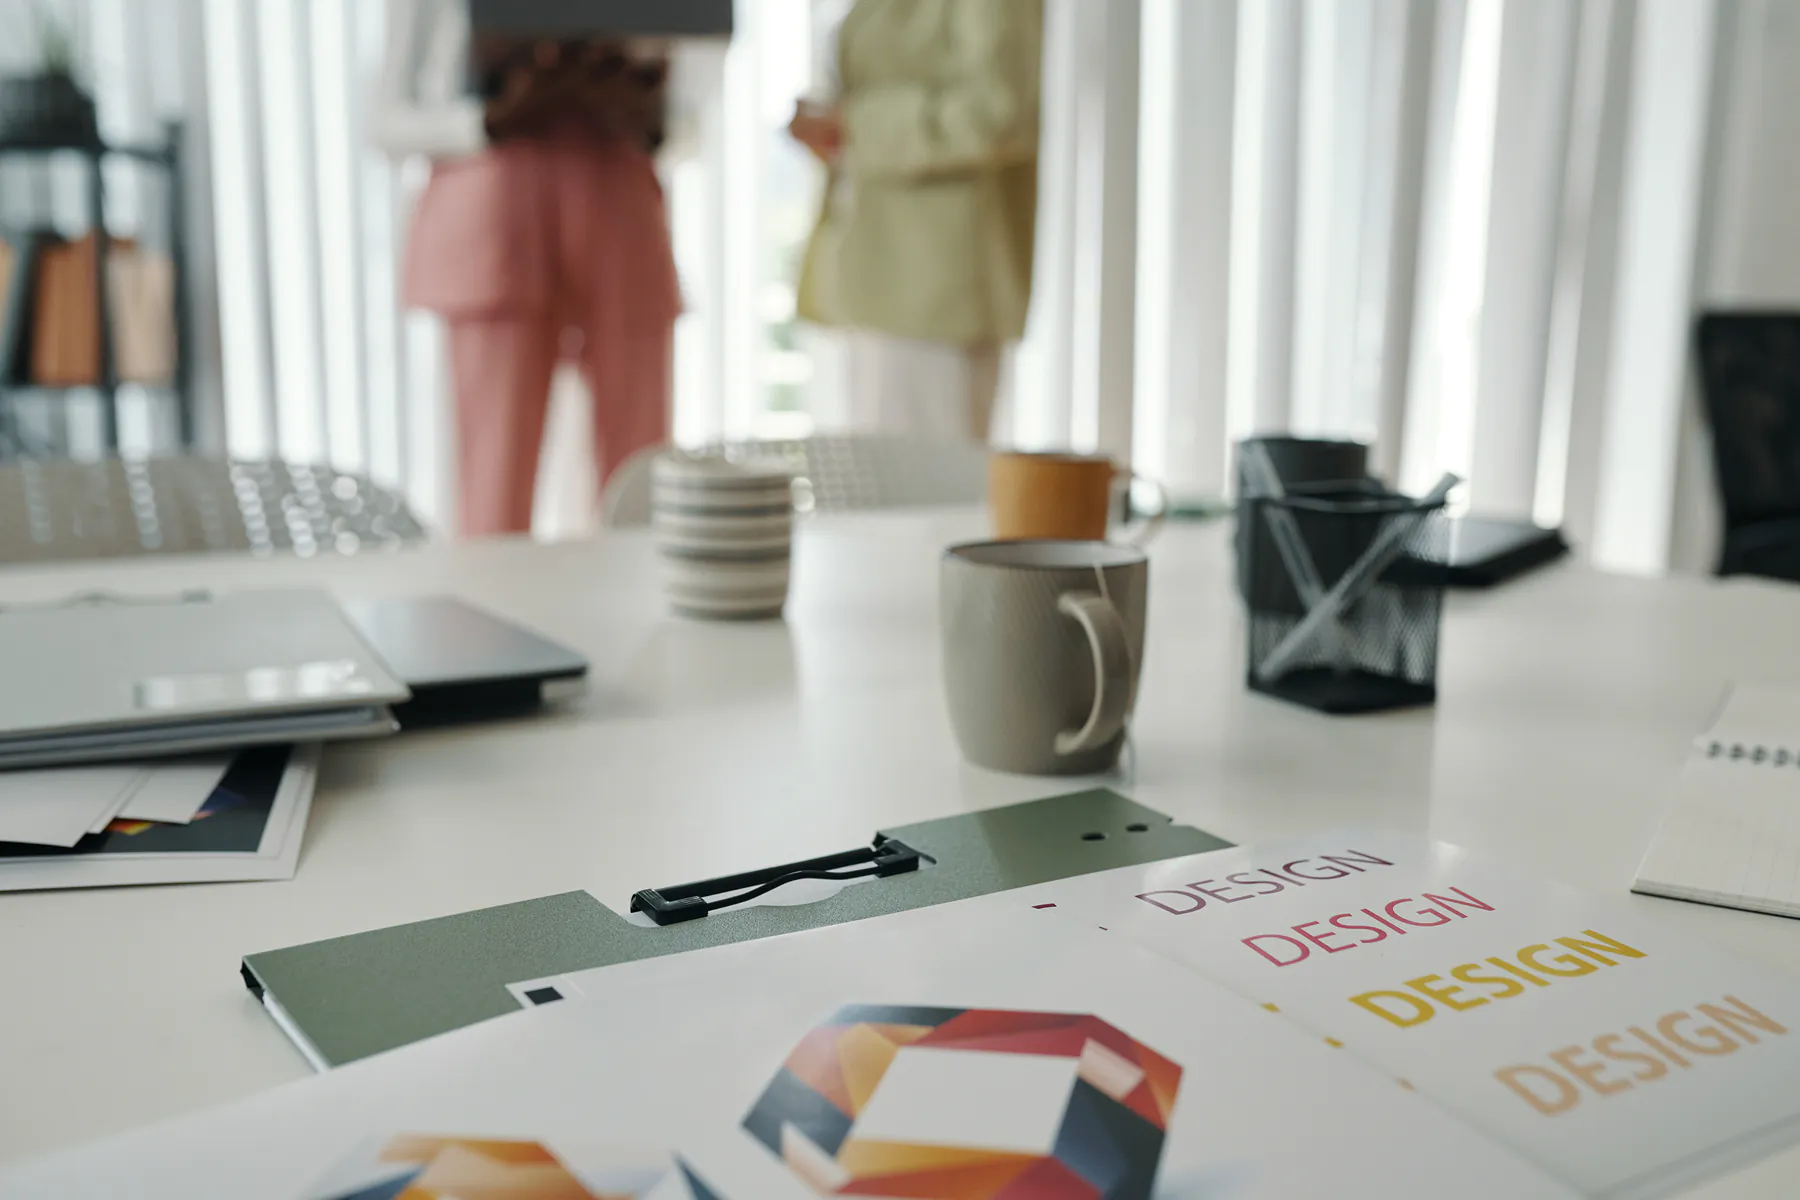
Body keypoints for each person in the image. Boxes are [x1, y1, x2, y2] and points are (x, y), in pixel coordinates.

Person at [375, 0, 681, 537]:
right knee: (494, 479)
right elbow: (386, 121)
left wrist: (640, 108)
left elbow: (690, 111)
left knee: (642, 477)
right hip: (495, 217)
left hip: (620, 203)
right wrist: (492, 118)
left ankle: (643, 588)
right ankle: (489, 594)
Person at [790, 0, 1043, 443]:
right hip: (874, 279)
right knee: (876, 474)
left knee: (924, 475)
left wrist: (852, 125)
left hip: (939, 286)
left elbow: (998, 112)